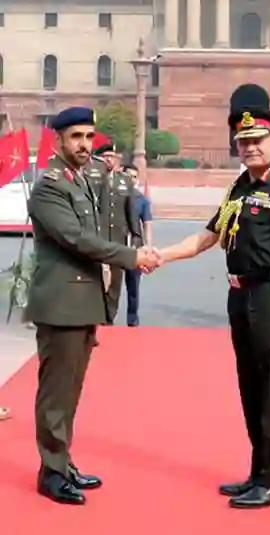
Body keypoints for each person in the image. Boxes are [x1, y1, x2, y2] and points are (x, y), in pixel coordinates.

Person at [158, 94, 270, 509]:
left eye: (258, 139)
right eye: (243, 142)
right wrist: (162, 255)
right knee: (251, 388)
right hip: (240, 297)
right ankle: (258, 473)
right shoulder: (239, 189)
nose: (250, 147)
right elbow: (209, 236)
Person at [25, 106, 160, 505]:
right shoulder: (51, 185)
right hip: (62, 304)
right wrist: (133, 257)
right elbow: (77, 239)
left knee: (71, 390)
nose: (85, 145)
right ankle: (51, 472)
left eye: (88, 137)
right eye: (76, 137)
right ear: (59, 141)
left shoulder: (80, 179)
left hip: (82, 303)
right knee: (55, 393)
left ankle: (63, 463)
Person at [91, 143, 140, 324]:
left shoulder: (125, 181)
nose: (109, 160)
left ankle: (108, 320)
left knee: (115, 284)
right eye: (105, 156)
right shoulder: (93, 180)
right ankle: (95, 319)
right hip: (98, 240)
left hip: (118, 242)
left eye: (112, 156)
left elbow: (132, 214)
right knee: (97, 283)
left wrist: (135, 240)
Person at [122, 164, 153, 327]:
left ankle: (132, 320)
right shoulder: (114, 197)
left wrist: (148, 246)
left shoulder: (142, 200)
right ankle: (105, 321)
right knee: (110, 287)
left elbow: (147, 223)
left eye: (134, 177)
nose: (131, 180)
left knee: (133, 285)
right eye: (128, 176)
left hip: (135, 246)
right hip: (116, 245)